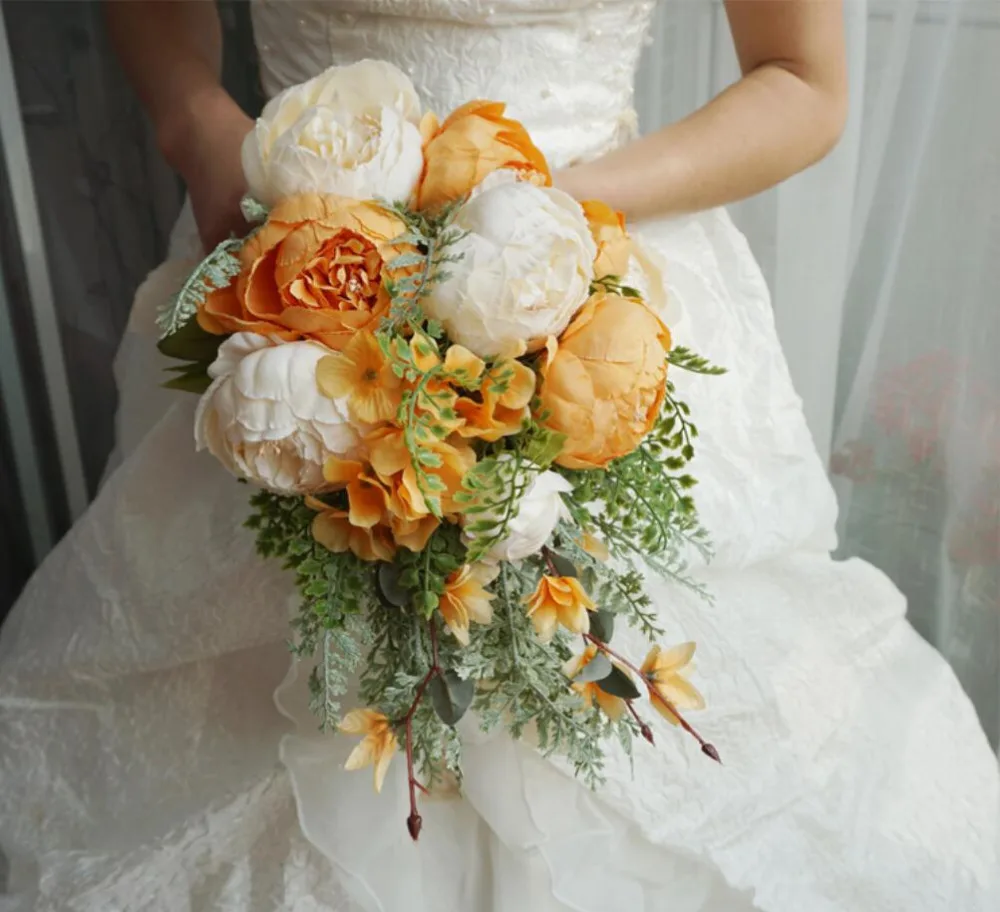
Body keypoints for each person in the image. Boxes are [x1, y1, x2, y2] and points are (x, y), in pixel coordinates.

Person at [1, 1, 997, 909]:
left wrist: (550, 220)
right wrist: (202, 128)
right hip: (292, 279)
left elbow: (803, 80)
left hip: (594, 272)